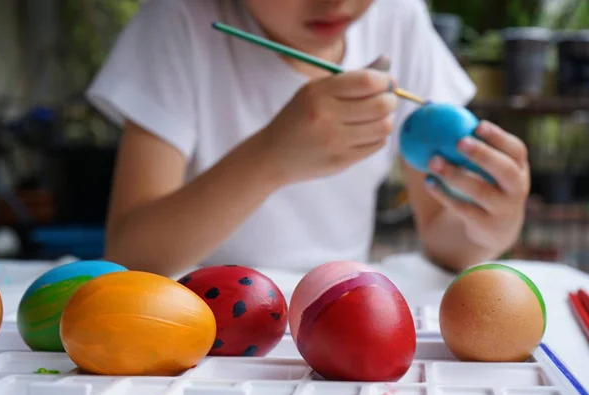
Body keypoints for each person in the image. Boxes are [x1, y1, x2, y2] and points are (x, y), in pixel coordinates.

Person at [87, 0, 530, 277]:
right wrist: (269, 159)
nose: (335, 1)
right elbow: (130, 257)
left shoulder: (397, 16)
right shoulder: (179, 18)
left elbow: (440, 234)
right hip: (201, 321)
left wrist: (489, 226)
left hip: (338, 305)